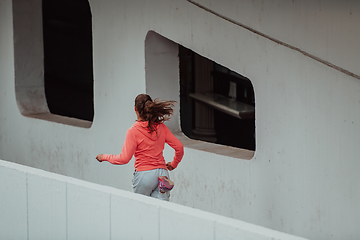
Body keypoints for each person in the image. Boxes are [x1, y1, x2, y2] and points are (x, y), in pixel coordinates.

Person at [96, 94, 184, 201]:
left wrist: (104, 157)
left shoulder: (133, 131)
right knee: (160, 212)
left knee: (141, 208)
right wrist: (174, 164)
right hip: (162, 174)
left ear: (135, 109)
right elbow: (179, 147)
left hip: (144, 175)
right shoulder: (161, 127)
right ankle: (161, 190)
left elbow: (124, 159)